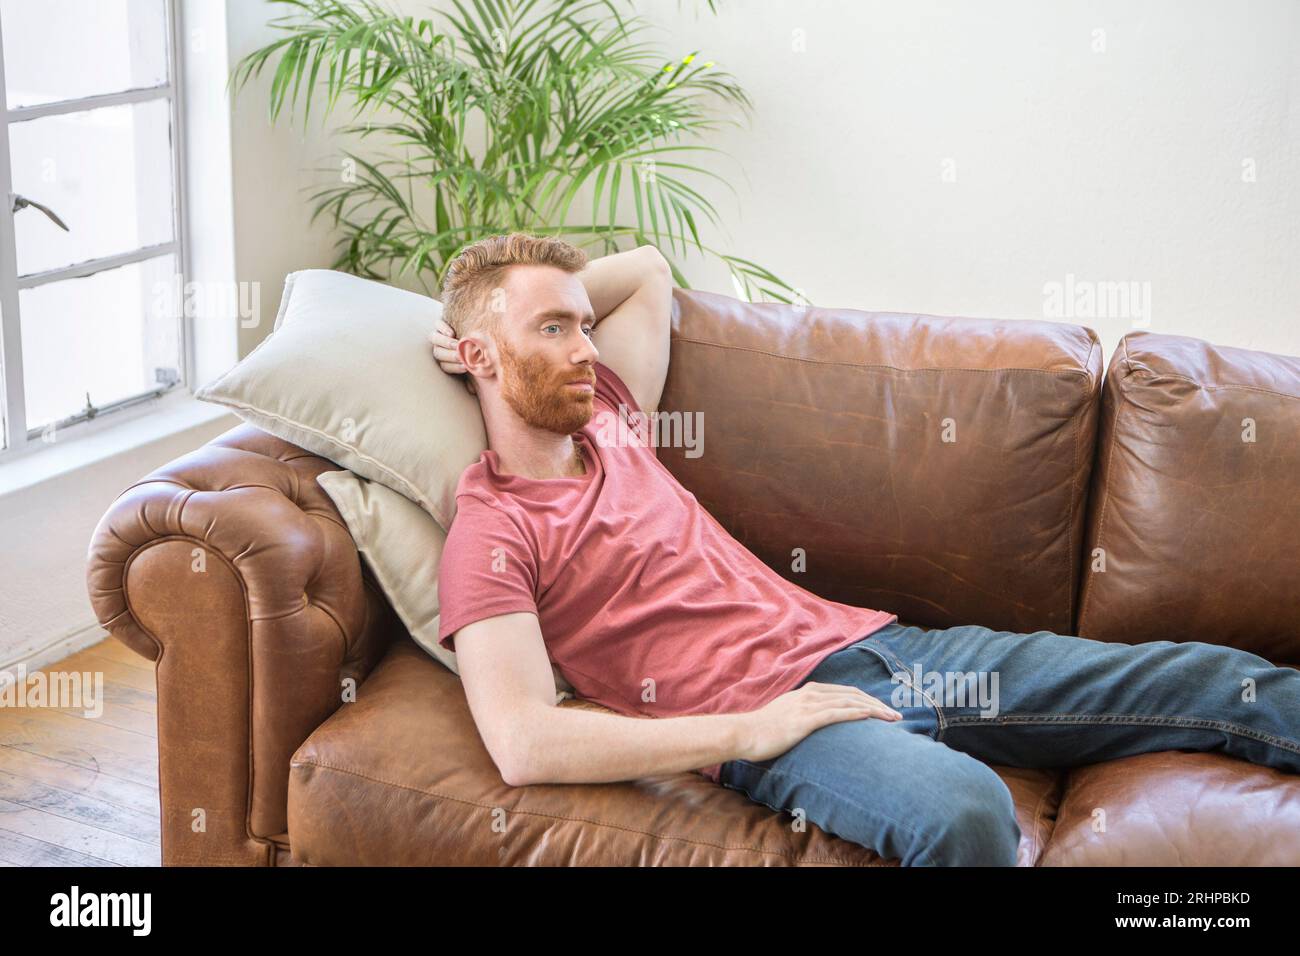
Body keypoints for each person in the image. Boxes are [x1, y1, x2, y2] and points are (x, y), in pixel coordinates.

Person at [428, 232, 1300, 866]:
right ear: (479, 354)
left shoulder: (612, 415)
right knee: (965, 810)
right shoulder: (492, 531)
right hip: (782, 724)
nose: (584, 348)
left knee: (1216, 678)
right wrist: (753, 729)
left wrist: (516, 321)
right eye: (553, 329)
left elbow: (649, 268)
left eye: (584, 325)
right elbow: (523, 742)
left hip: (884, 650)